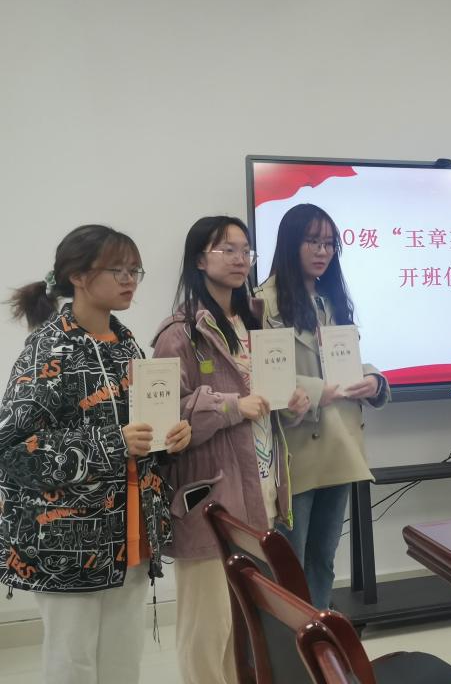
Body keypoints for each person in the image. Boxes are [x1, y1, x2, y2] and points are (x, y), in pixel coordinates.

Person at [0, 225, 189, 684]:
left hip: (130, 532)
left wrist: (168, 438)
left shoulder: (127, 344)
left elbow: (140, 431)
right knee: (73, 663)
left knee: (123, 660)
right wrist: (112, 444)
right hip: (67, 541)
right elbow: (12, 449)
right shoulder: (50, 348)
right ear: (79, 276)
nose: (130, 280)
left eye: (135, 270)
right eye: (117, 270)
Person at [152, 216, 310, 684]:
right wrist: (231, 406)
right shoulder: (180, 333)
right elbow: (165, 416)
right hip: (211, 499)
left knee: (245, 627)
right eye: (227, 249)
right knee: (208, 628)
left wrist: (291, 403)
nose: (241, 259)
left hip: (260, 488)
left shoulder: (255, 324)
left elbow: (266, 402)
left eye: (246, 250)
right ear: (199, 260)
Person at [255, 203, 389, 609]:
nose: (322, 251)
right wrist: (317, 392)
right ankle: (292, 642)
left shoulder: (332, 299)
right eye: (312, 241)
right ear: (291, 243)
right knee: (289, 563)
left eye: (329, 244)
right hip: (295, 451)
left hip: (340, 445)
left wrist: (374, 380)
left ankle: (319, 636)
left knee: (323, 559)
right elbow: (259, 376)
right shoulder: (263, 303)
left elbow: (346, 362)